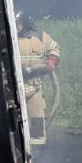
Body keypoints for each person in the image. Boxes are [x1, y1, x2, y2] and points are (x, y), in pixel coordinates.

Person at [16, 11, 61, 145]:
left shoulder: (40, 37)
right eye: (15, 23)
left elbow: (55, 48)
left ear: (25, 23)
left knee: (37, 126)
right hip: (14, 91)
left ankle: (39, 158)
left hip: (34, 88)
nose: (17, 26)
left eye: (19, 23)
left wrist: (52, 62)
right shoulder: (9, 38)